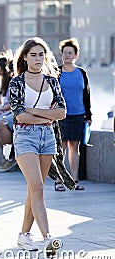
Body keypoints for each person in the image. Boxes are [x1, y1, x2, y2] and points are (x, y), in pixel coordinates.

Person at [9, 37, 66, 256]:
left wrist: (34, 112)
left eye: (41, 54)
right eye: (33, 54)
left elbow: (61, 112)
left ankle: (24, 235)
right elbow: (19, 115)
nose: (38, 58)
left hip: (48, 137)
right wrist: (45, 115)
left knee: (34, 189)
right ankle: (48, 238)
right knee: (38, 188)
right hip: (24, 136)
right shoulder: (17, 82)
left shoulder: (52, 81)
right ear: (25, 57)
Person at [54, 38, 92, 191]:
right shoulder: (57, 72)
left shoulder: (81, 73)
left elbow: (86, 95)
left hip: (78, 114)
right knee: (61, 147)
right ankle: (59, 180)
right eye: (65, 53)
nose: (67, 55)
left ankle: (74, 180)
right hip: (61, 115)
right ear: (62, 55)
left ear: (76, 55)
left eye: (70, 53)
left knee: (74, 148)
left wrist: (88, 116)